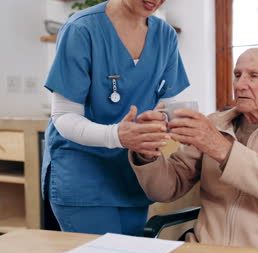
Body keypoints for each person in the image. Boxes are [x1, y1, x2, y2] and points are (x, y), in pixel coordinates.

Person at [130, 48, 258, 250]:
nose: (240, 85)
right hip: (206, 252)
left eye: (254, 76)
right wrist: (148, 153)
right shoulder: (216, 123)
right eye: (237, 75)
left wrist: (220, 148)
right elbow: (166, 190)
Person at [41, 0, 190, 236]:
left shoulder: (165, 36)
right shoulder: (82, 29)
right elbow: (64, 116)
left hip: (132, 176)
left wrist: (166, 121)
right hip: (83, 176)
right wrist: (117, 136)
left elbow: (168, 104)